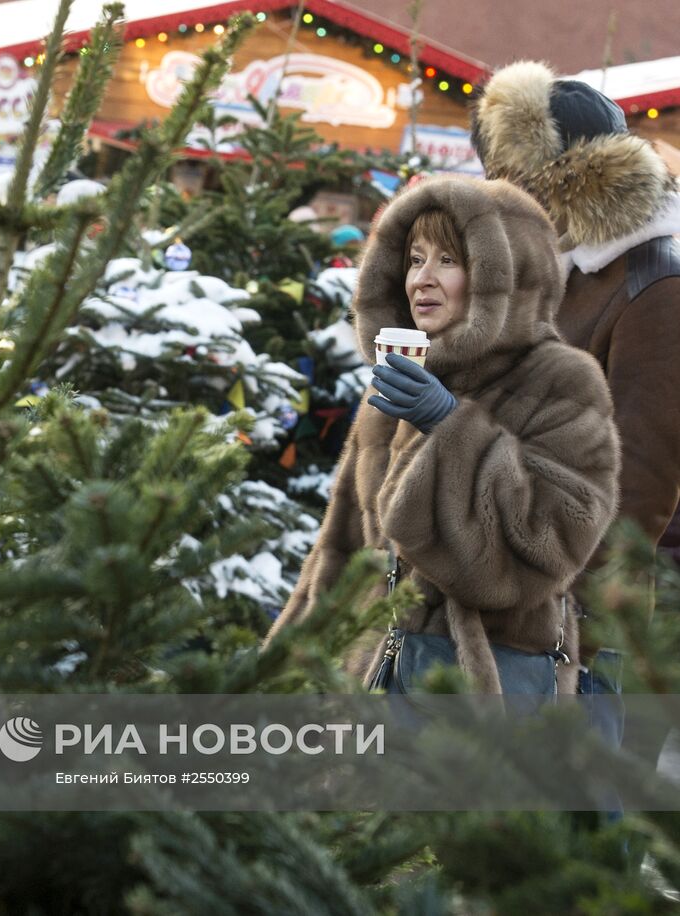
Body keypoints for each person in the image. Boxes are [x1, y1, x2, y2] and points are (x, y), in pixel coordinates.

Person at [266, 177, 621, 696]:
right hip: (369, 675)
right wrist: (284, 669)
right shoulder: (401, 377)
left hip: (482, 689)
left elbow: (554, 544)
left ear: (507, 274)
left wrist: (452, 429)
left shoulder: (560, 379)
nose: (422, 280)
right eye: (414, 259)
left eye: (448, 261)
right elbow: (342, 550)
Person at [471, 62, 680, 566]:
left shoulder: (654, 284)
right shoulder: (546, 264)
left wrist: (556, 598)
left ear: (568, 180)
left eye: (512, 173)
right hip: (498, 577)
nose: (499, 190)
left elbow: (639, 482)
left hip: (568, 601)